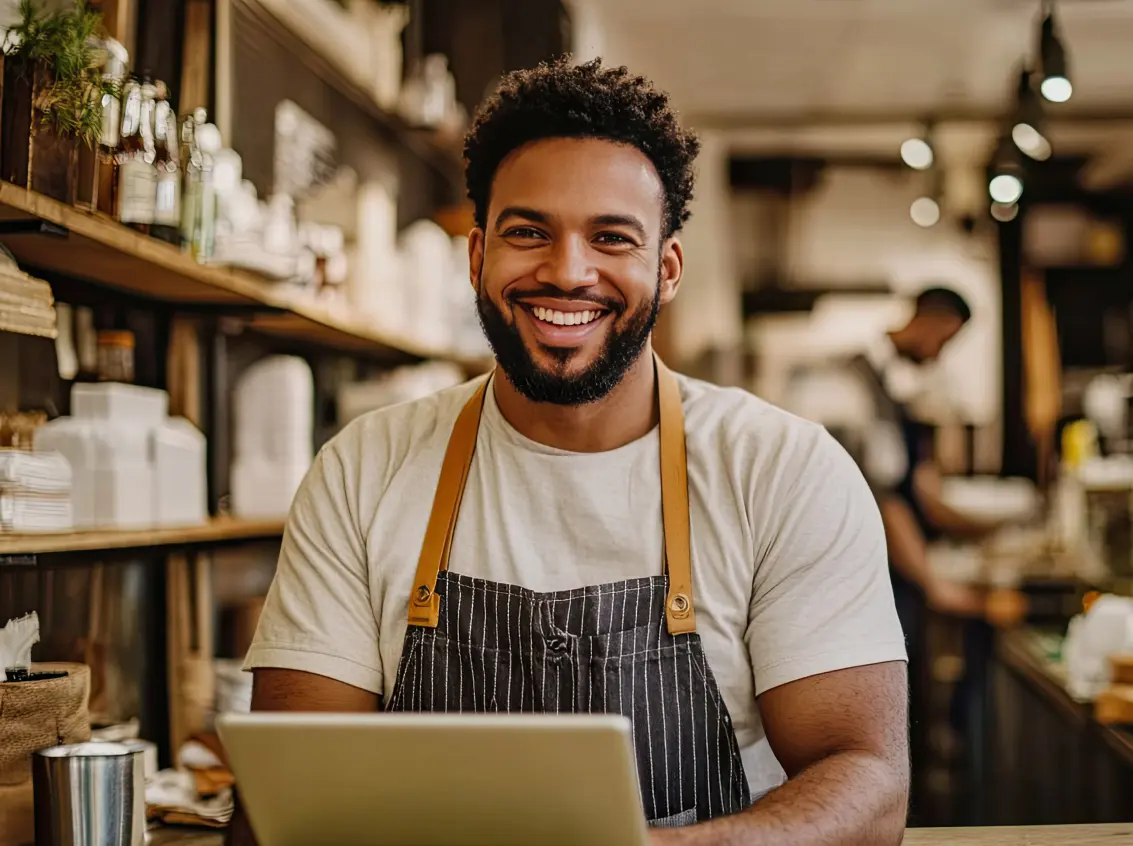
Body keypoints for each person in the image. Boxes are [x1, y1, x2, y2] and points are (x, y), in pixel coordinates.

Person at [237, 58, 909, 845]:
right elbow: (295, 789)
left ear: (666, 269)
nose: (566, 272)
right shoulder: (363, 469)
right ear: (477, 254)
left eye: (610, 238)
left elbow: (865, 778)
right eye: (528, 233)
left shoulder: (782, 471)